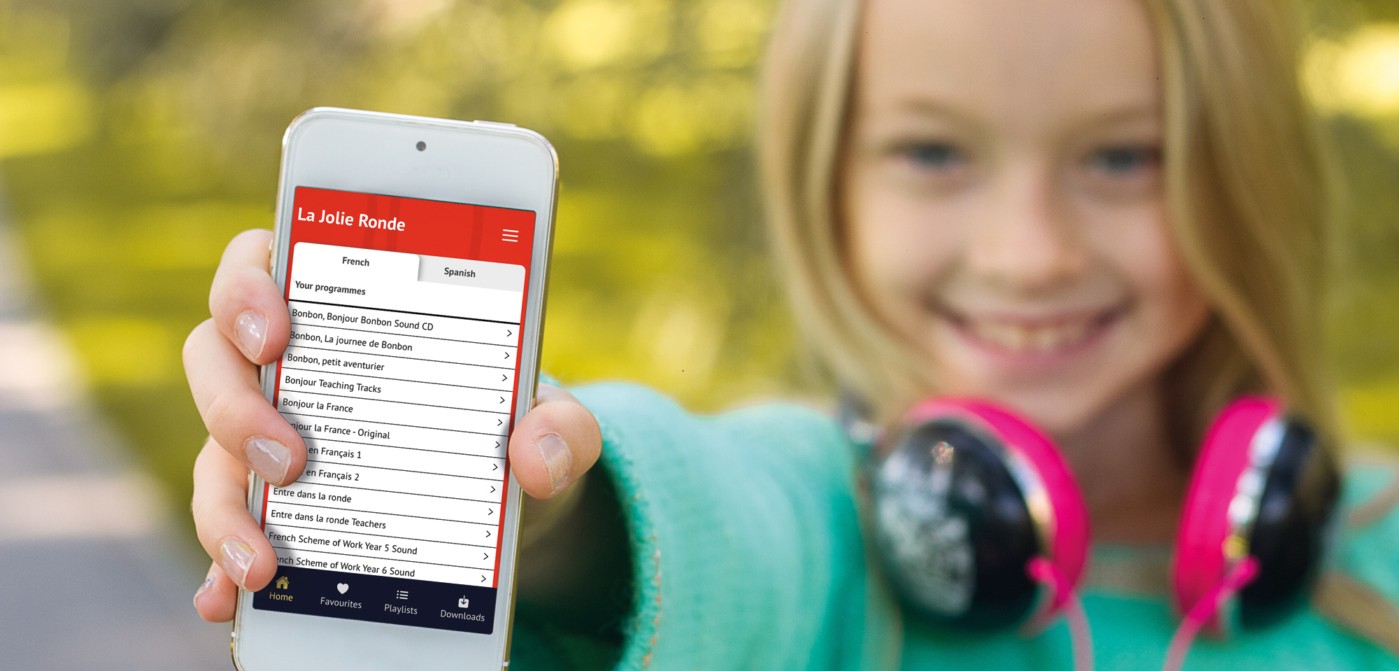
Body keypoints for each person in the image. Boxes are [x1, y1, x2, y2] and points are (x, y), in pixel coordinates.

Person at [182, 0, 1399, 668]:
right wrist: (528, 495)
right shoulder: (826, 520)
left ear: (1246, 176)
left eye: (1124, 156)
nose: (1029, 249)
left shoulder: (1380, 562)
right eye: (932, 151)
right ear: (830, 189)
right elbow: (719, 521)